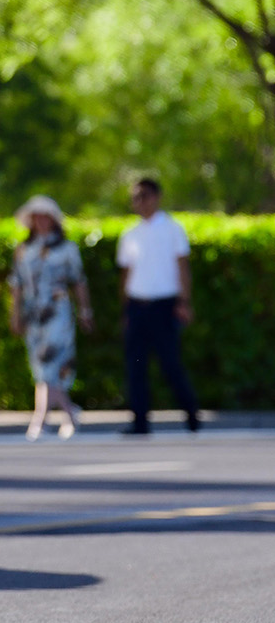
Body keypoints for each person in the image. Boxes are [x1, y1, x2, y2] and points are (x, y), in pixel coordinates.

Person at [117, 177, 200, 435]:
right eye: (135, 198)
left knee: (170, 363)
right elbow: (126, 273)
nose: (139, 202)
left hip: (164, 305)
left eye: (144, 196)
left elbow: (183, 267)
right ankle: (140, 421)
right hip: (137, 306)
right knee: (136, 366)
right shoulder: (130, 233)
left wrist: (184, 301)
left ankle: (191, 414)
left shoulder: (173, 229)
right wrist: (125, 309)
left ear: (156, 197)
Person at [9, 196, 91, 440]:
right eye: (37, 217)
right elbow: (16, 285)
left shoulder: (67, 248)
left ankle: (40, 419)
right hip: (33, 314)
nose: (41, 221)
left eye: (46, 216)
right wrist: (15, 314)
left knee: (51, 364)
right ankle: (69, 413)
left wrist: (86, 311)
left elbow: (78, 281)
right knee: (40, 366)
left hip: (58, 312)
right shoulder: (23, 250)